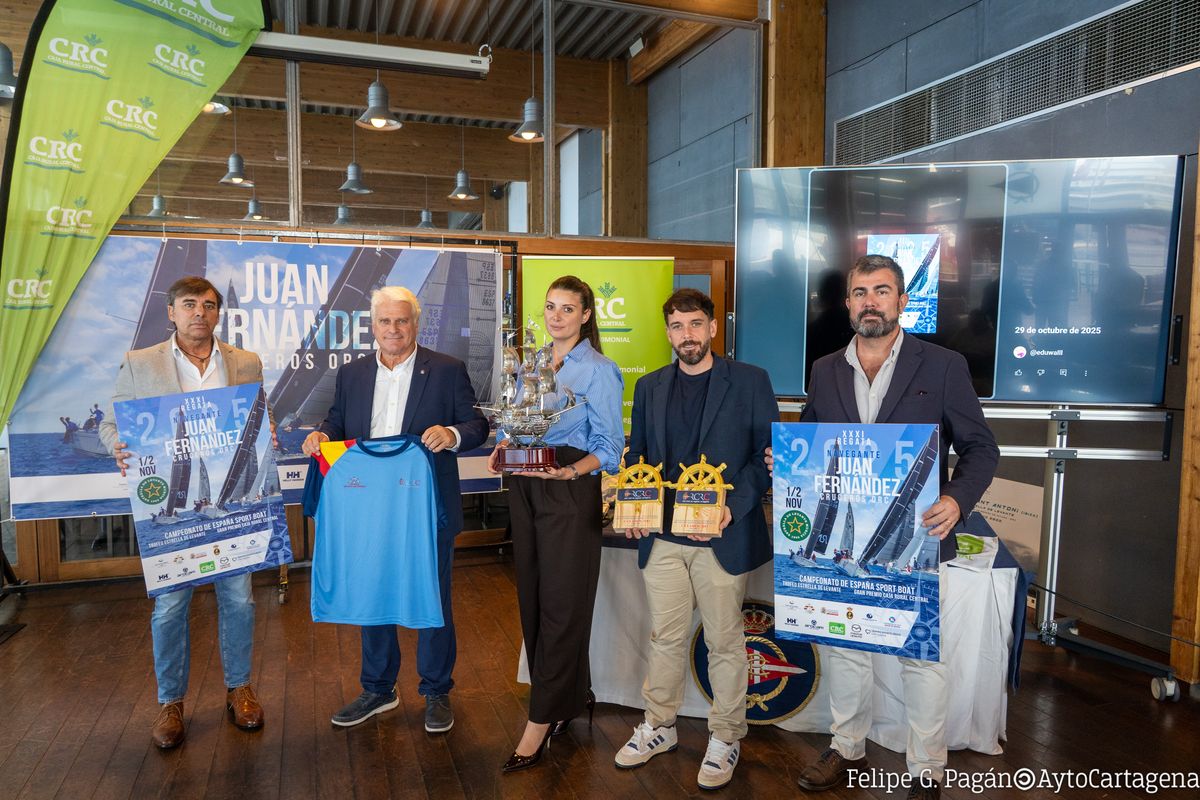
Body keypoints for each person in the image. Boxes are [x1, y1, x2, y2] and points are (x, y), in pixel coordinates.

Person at [776, 255, 999, 800]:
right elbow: (814, 445)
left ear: (903, 301)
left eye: (882, 291)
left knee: (918, 655)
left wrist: (956, 498)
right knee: (846, 648)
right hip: (844, 545)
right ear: (848, 303)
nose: (869, 301)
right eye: (859, 292)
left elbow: (980, 448)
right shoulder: (825, 368)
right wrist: (784, 465)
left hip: (917, 539)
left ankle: (927, 768)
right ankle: (847, 748)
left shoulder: (942, 365)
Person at [302, 286, 488, 733]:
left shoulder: (446, 370)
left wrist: (453, 434)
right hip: (367, 508)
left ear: (415, 324)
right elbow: (337, 423)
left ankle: (437, 689)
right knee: (373, 591)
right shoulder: (352, 374)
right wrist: (320, 436)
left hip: (426, 508)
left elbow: (478, 424)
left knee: (433, 595)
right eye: (385, 321)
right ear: (373, 325)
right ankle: (379, 688)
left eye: (402, 321)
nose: (393, 329)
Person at [98, 276, 269, 750]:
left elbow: (258, 417)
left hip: (230, 511)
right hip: (170, 512)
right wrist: (118, 446)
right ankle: (170, 702)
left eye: (209, 305)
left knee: (239, 600)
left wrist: (265, 439)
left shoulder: (246, 362)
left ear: (218, 314)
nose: (200, 312)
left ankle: (240, 688)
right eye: (189, 305)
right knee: (171, 606)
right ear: (171, 312)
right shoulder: (140, 363)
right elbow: (110, 424)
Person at [616, 289, 777, 789]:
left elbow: (766, 459)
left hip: (722, 536)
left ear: (712, 329)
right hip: (663, 537)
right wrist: (634, 508)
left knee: (726, 641)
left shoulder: (750, 381)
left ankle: (726, 735)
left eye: (695, 324)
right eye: (677, 326)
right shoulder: (649, 387)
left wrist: (734, 506)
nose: (686, 334)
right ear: (668, 333)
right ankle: (659, 726)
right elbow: (637, 454)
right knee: (664, 638)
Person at [487, 275, 624, 773]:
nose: (557, 315)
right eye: (550, 307)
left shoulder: (601, 371)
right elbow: (514, 422)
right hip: (525, 486)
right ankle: (569, 699)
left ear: (586, 315)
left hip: (568, 489)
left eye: (568, 308)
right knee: (535, 598)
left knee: (564, 606)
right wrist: (504, 446)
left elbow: (610, 449)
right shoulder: (533, 365)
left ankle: (540, 721)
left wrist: (570, 470)